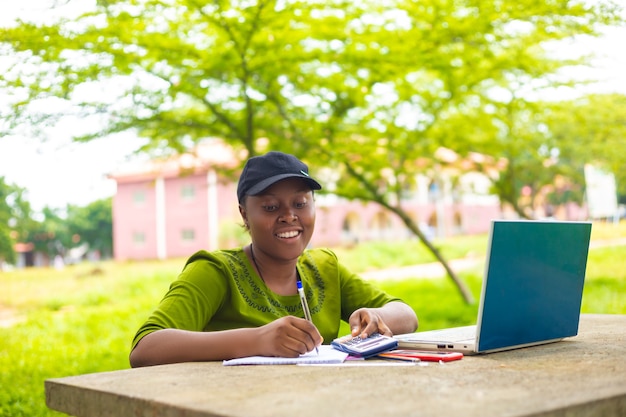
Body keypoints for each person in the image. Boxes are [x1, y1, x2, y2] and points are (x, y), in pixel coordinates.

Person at [129, 151, 418, 367]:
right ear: (244, 214)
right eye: (270, 206)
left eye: (301, 203)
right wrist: (257, 340)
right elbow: (145, 349)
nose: (289, 216)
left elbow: (406, 315)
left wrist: (377, 317)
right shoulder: (216, 271)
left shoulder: (324, 268)